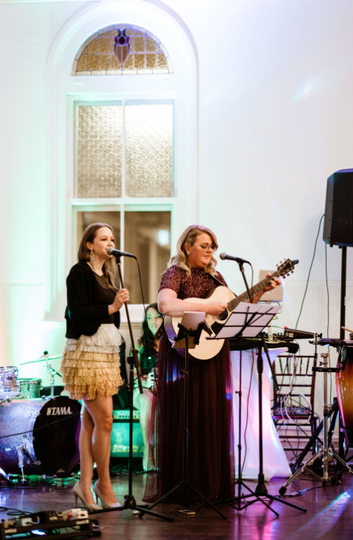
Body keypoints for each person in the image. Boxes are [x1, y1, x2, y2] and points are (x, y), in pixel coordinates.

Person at [147, 224, 280, 504]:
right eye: (204, 245)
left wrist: (259, 292)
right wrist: (206, 308)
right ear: (187, 247)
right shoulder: (175, 274)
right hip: (181, 350)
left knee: (210, 415)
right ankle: (182, 486)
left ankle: (210, 486)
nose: (209, 251)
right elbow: (166, 306)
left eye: (212, 246)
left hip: (212, 351)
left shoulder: (216, 277)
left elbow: (230, 309)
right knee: (186, 418)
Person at [60, 223, 129, 511]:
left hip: (105, 354)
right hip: (86, 353)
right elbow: (76, 311)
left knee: (91, 422)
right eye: (104, 238)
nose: (110, 242)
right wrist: (111, 308)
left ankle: (85, 485)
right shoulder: (80, 272)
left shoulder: (108, 275)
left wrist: (114, 308)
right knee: (105, 421)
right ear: (89, 244)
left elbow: (109, 320)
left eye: (112, 238)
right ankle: (104, 484)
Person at [133, 303, 163, 472]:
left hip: (163, 389)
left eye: (157, 317)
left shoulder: (170, 343)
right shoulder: (139, 343)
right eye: (149, 318)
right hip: (142, 390)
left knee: (160, 400)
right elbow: (135, 374)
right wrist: (146, 382)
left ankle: (161, 451)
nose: (153, 321)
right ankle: (148, 451)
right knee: (148, 399)